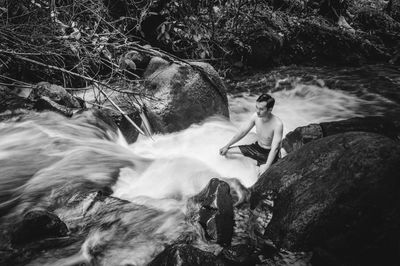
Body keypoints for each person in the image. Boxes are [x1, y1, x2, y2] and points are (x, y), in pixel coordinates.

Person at [219, 93, 283, 176]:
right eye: (256, 107)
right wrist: (227, 146)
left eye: (261, 109)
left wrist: (267, 166)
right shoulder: (255, 117)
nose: (257, 111)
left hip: (268, 154)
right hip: (256, 148)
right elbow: (243, 132)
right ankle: (251, 166)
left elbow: (275, 148)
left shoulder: (277, 124)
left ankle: (256, 166)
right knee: (227, 152)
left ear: (270, 109)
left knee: (260, 176)